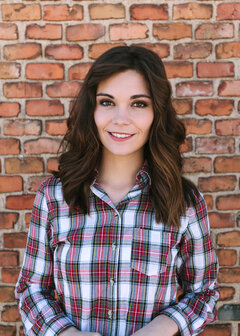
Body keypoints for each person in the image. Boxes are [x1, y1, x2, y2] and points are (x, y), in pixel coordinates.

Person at [15, 45, 219, 336]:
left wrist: (158, 330)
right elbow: (32, 289)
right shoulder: (54, 198)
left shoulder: (184, 202)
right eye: (107, 102)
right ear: (92, 110)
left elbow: (204, 292)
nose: (120, 119)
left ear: (156, 113)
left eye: (138, 104)